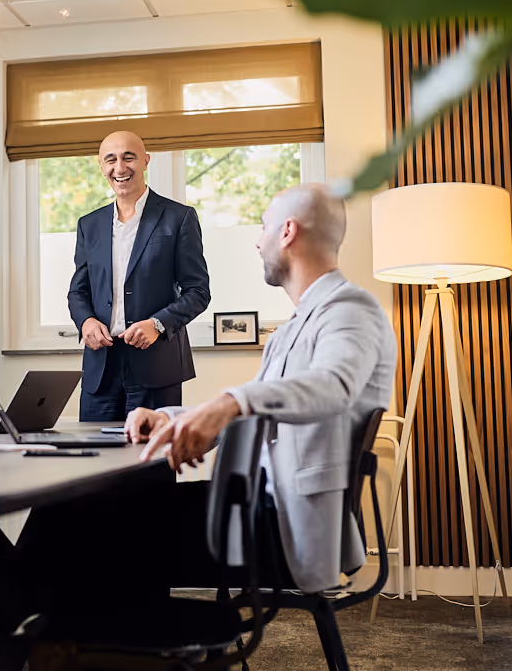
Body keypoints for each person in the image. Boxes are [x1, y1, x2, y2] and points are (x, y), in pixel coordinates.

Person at [19, 183, 397, 605]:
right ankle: (53, 641)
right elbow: (260, 406)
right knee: (70, 509)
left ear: (288, 232)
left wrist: (228, 403)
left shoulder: (351, 309)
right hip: (256, 508)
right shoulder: (295, 326)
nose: (257, 240)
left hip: (283, 524)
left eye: (264, 227)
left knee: (86, 521)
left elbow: (333, 387)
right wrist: (174, 418)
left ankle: (35, 640)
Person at [68, 130, 211, 421]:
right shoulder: (89, 225)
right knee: (96, 462)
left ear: (146, 161)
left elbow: (198, 292)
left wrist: (158, 324)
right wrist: (85, 321)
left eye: (128, 157)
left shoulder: (179, 218)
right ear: (101, 165)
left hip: (156, 365)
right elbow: (78, 291)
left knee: (151, 462)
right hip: (101, 367)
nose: (119, 168)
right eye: (111, 160)